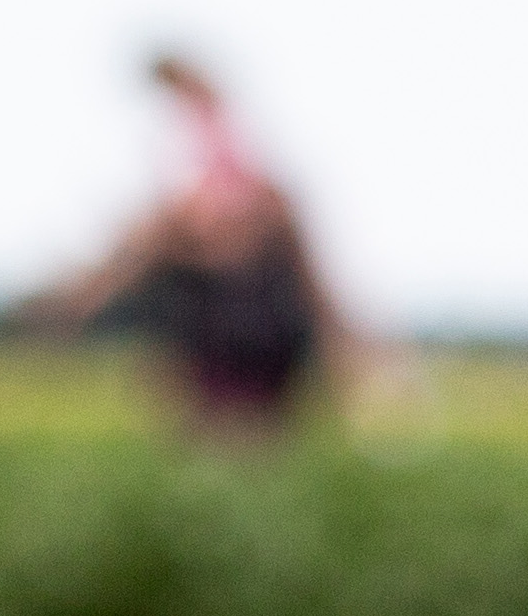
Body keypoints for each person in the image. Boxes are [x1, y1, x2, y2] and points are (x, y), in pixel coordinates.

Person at [29, 52, 353, 432]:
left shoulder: (223, 138)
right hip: (211, 252)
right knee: (149, 235)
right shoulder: (197, 134)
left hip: (229, 250)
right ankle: (77, 306)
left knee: (151, 235)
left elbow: (226, 195)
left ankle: (76, 307)